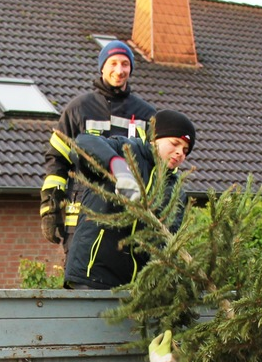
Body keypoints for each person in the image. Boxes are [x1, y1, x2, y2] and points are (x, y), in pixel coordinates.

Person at [41, 40, 156, 252]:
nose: (119, 70)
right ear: (102, 67)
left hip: (130, 222)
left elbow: (159, 168)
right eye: (113, 63)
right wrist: (51, 209)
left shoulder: (146, 115)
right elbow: (56, 160)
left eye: (124, 64)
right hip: (83, 218)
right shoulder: (78, 109)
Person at [62, 109, 195, 289]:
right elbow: (84, 143)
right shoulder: (126, 150)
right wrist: (119, 168)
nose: (180, 153)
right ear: (155, 138)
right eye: (175, 143)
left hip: (134, 289)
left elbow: (167, 241)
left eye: (185, 150)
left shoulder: (175, 190)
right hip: (92, 275)